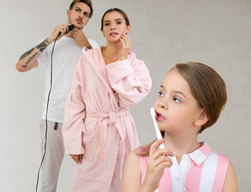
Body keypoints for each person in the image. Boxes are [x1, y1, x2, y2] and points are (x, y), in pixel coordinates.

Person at [62, 8, 152, 192]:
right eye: (107, 23)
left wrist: (121, 61)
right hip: (95, 132)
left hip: (123, 132)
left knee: (123, 182)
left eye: (118, 22)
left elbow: (130, 98)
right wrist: (73, 142)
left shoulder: (136, 65)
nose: (113, 26)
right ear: (102, 31)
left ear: (128, 28)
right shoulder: (88, 60)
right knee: (87, 185)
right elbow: (75, 103)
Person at [15, 0, 98, 191]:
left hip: (83, 122)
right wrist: (50, 38)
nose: (81, 15)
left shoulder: (92, 46)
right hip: (54, 119)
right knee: (48, 178)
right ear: (69, 12)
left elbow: (104, 77)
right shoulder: (52, 44)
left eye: (86, 14)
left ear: (88, 20)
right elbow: (20, 66)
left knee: (92, 176)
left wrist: (86, 46)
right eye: (78, 10)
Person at [122, 62, 238, 192]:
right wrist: (148, 185)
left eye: (176, 99)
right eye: (161, 93)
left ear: (201, 116)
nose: (161, 103)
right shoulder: (137, 160)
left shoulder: (223, 169)